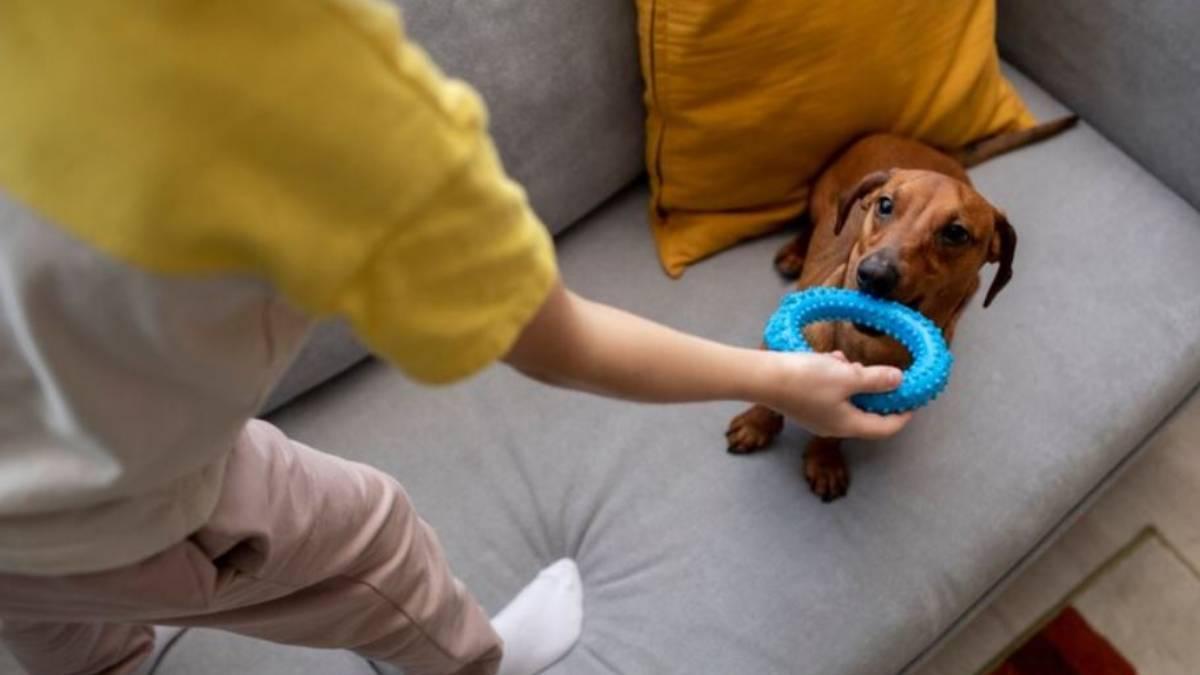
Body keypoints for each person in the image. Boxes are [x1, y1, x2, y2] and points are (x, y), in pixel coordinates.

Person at [0, 2, 910, 674]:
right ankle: (470, 663)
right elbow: (560, 340)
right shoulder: (322, 94)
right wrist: (780, 378)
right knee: (372, 534)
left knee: (44, 613)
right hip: (95, 504)